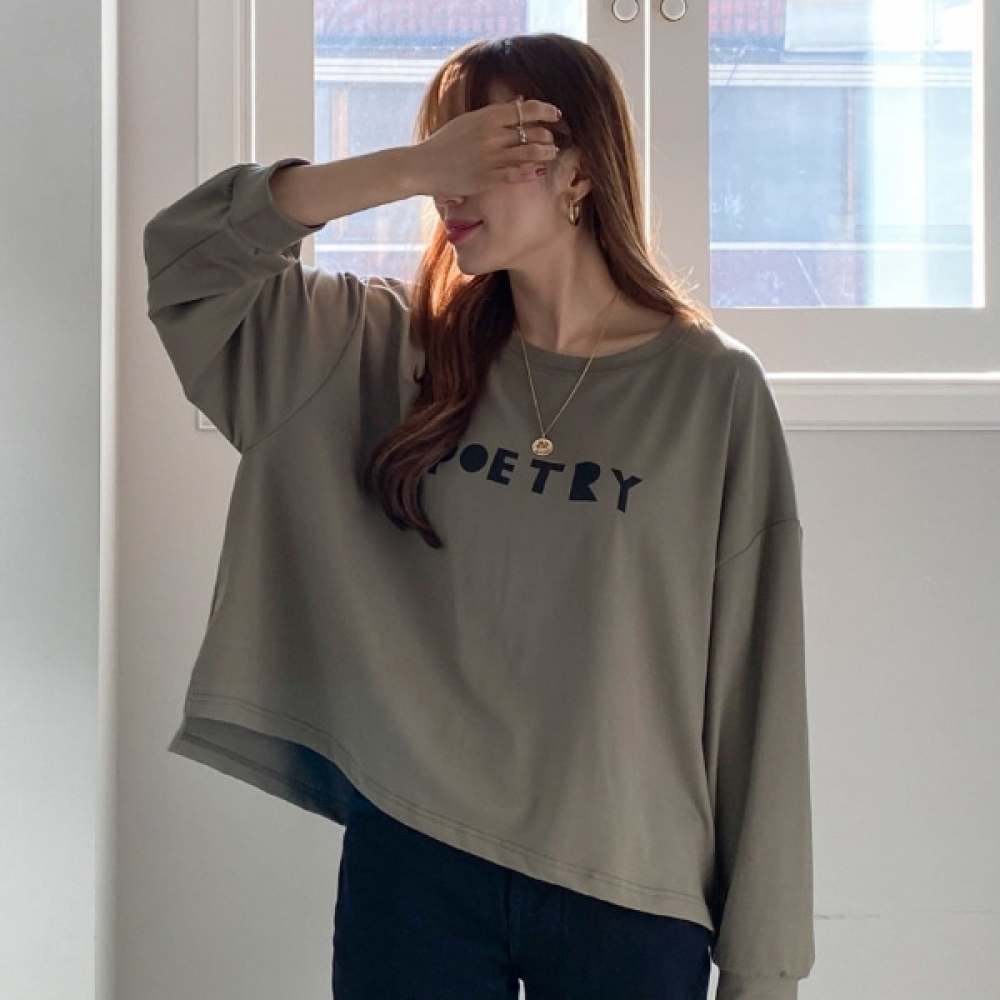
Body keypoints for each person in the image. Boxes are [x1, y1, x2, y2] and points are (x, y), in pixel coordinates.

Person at [143, 32, 814, 1000]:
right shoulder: (375, 351)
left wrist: (764, 970)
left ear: (579, 170)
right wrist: (406, 167)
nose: (449, 188)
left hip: (629, 881)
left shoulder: (709, 389)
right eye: (441, 153)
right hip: (417, 861)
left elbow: (757, 681)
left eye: (485, 150)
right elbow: (189, 258)